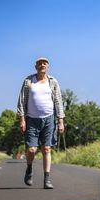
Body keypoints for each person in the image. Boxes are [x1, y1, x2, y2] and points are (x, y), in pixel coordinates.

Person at [17, 57, 65, 189]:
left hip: (49, 119)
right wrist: (22, 119)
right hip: (32, 119)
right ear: (35, 66)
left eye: (44, 63)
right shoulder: (28, 81)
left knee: (46, 149)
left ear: (48, 66)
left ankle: (47, 179)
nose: (42, 65)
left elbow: (58, 102)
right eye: (39, 63)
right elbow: (22, 101)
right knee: (32, 150)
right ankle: (29, 168)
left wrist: (60, 121)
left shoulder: (53, 81)